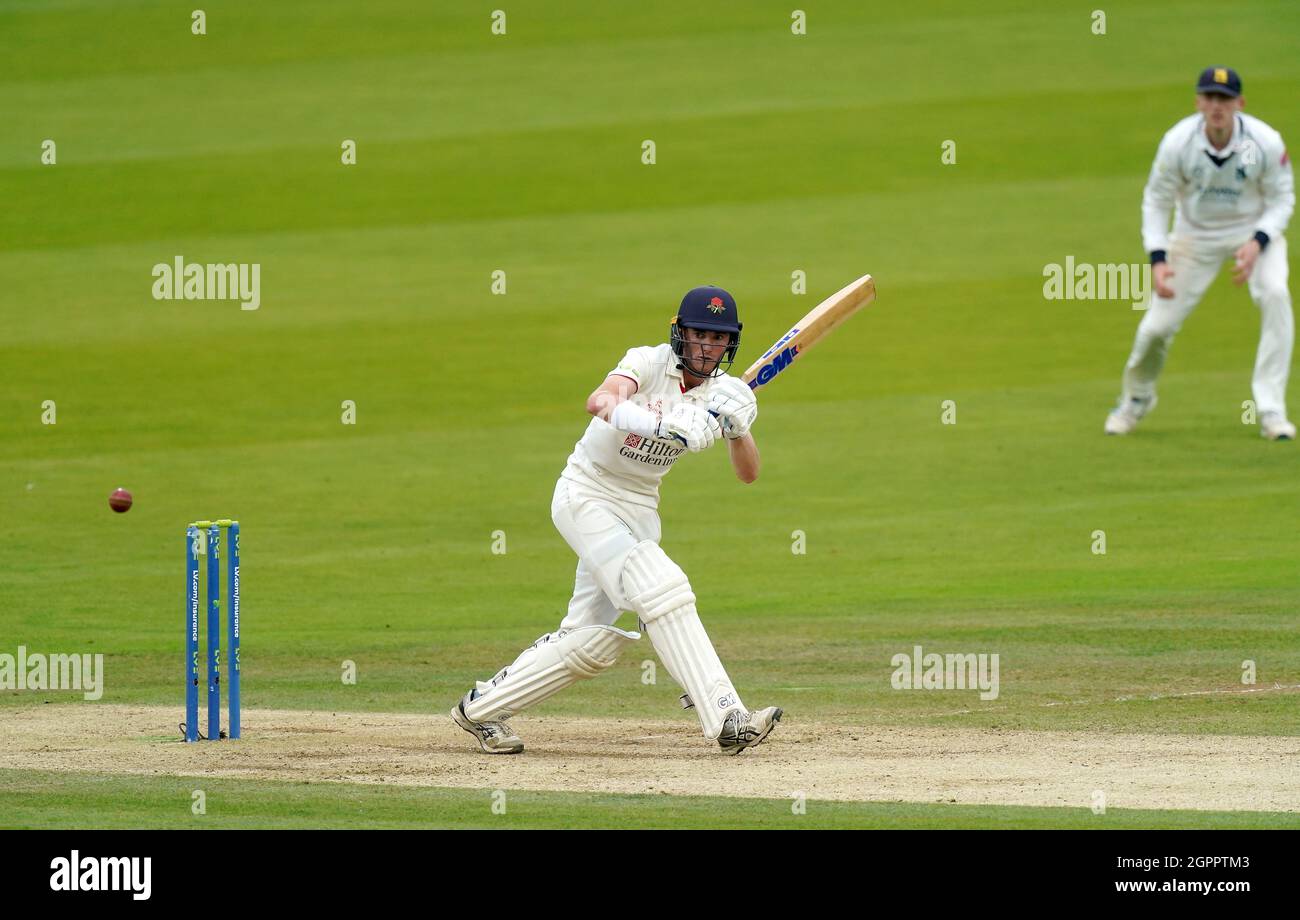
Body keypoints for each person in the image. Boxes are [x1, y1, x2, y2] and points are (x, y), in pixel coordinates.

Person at [450, 285, 782, 755]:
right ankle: (728, 717)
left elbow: (749, 475)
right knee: (662, 586)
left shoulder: (721, 393)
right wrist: (660, 425)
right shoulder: (646, 362)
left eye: (718, 338)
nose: (707, 347)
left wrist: (738, 429)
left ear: (731, 344)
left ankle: (479, 708)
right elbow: (600, 401)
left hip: (640, 508)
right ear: (680, 333)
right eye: (699, 335)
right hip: (586, 494)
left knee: (589, 643)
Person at [1106, 66, 1295, 439]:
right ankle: (1136, 399)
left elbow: (1283, 198)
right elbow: (1156, 201)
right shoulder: (1178, 142)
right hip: (1194, 237)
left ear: (1239, 103)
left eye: (1224, 99)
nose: (1216, 106)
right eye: (1209, 98)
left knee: (1276, 294)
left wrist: (1258, 242)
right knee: (1156, 328)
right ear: (1198, 102)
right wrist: (1158, 260)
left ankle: (1272, 408)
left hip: (1253, 232)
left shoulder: (1265, 142)